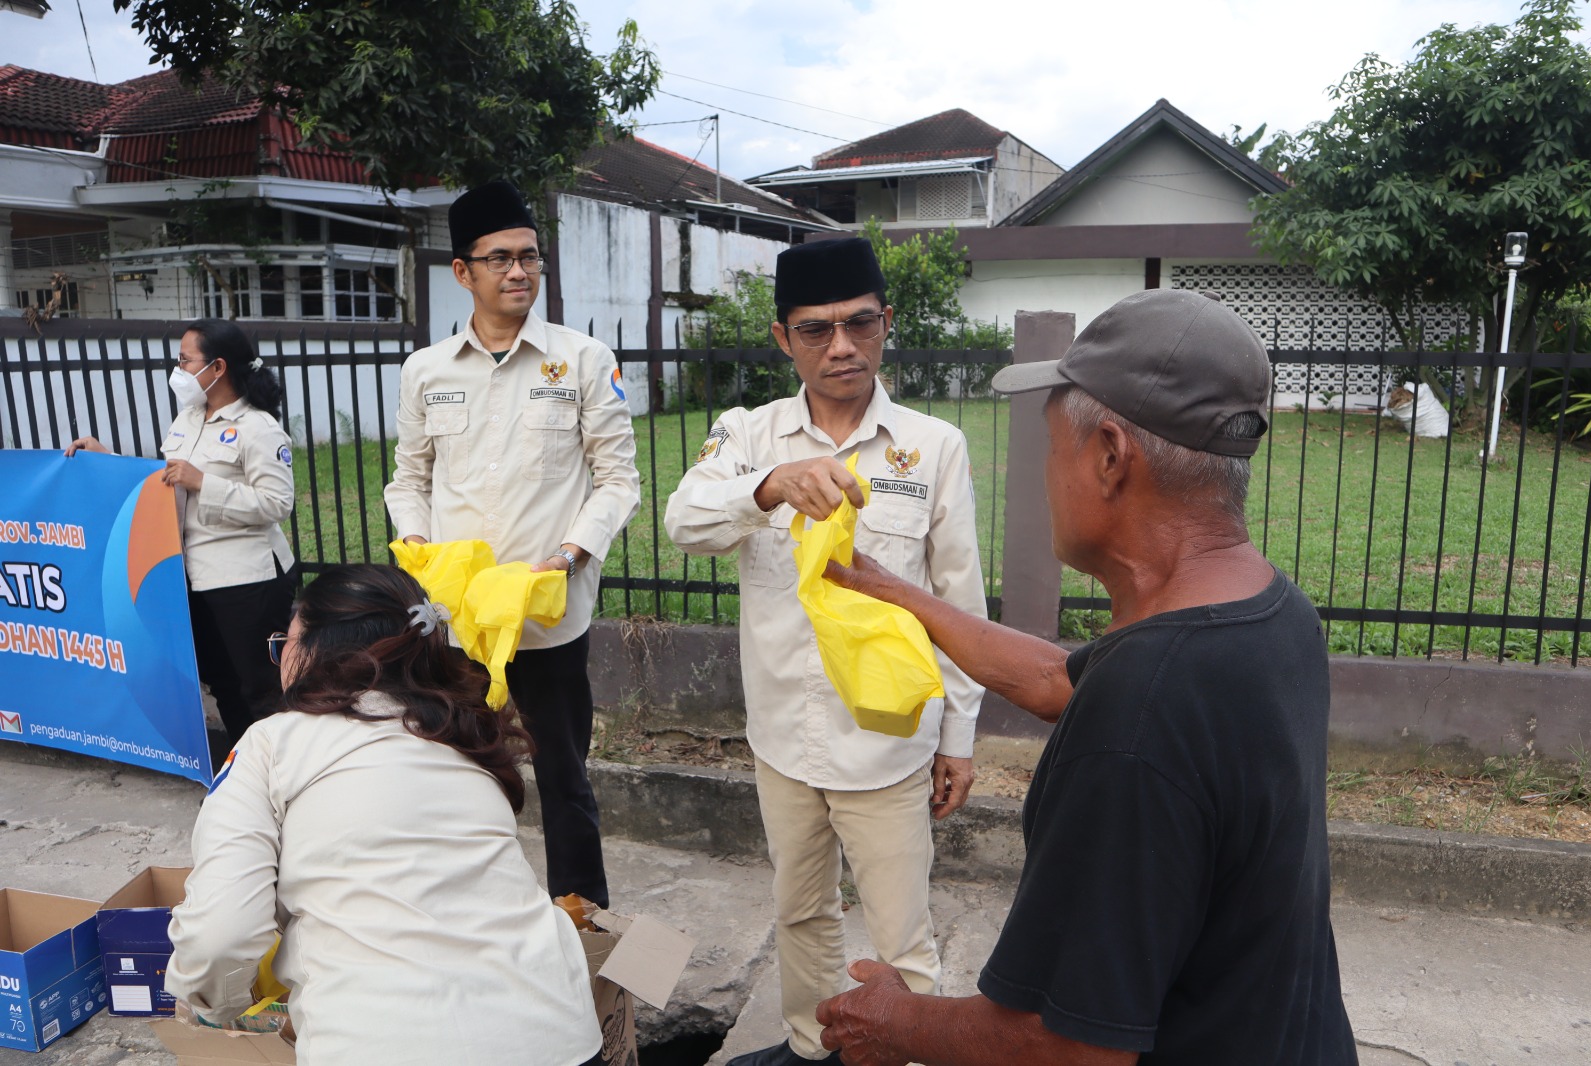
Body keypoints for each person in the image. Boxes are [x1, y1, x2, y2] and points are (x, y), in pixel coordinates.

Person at [813, 289, 1358, 1065]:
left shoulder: (1139, 716)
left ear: (1109, 456)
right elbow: (1053, 680)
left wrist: (897, 1022)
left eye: (1050, 447)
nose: (1044, 474)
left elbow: (1072, 1048)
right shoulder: (1271, 612)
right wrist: (899, 594)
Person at [664, 237, 987, 1066]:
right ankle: (813, 1048)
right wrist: (770, 486)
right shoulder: (747, 435)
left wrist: (957, 737)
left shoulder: (933, 447)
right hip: (783, 736)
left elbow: (959, 604)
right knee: (800, 913)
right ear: (783, 337)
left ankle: (903, 1052)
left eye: (859, 324)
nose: (841, 346)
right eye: (816, 330)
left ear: (887, 323)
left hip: (886, 742)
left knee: (901, 935)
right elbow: (684, 520)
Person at [165, 564, 604, 1066]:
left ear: (314, 653)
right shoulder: (461, 733)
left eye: (285, 642)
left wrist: (213, 1006)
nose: (280, 657)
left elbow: (220, 933)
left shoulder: (270, 743)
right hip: (559, 1038)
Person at [384, 179, 640, 908]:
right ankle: (472, 915)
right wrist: (417, 542)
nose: (519, 271)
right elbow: (408, 479)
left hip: (548, 614)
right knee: (458, 771)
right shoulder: (427, 371)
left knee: (564, 776)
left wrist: (570, 556)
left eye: (529, 257)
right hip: (458, 620)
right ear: (462, 271)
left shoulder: (583, 360)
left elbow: (618, 480)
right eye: (499, 259)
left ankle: (582, 920)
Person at [67, 319, 296, 750]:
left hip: (247, 579)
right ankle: (244, 763)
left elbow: (277, 503)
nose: (178, 370)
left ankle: (285, 766)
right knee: (222, 681)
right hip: (191, 576)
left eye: (185, 360)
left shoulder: (258, 428)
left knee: (261, 686)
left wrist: (204, 483)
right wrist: (107, 459)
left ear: (218, 367)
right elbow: (164, 483)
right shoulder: (187, 420)